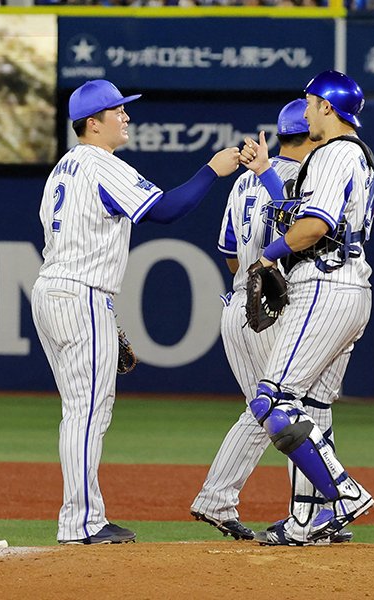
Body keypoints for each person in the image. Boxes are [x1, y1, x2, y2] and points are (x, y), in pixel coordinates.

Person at [191, 99, 374, 545]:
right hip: (284, 300)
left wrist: (254, 268)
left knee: (272, 408)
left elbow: (231, 254)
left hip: (242, 300)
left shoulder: (246, 182)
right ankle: (330, 500)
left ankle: (259, 507)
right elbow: (316, 227)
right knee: (283, 404)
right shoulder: (310, 173)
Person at [31, 79, 240, 545]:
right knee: (87, 412)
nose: (126, 116)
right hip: (80, 295)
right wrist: (211, 170)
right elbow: (165, 210)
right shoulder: (100, 163)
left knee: (80, 410)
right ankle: (80, 522)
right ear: (93, 122)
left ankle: (85, 517)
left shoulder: (63, 167)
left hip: (56, 291)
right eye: (118, 110)